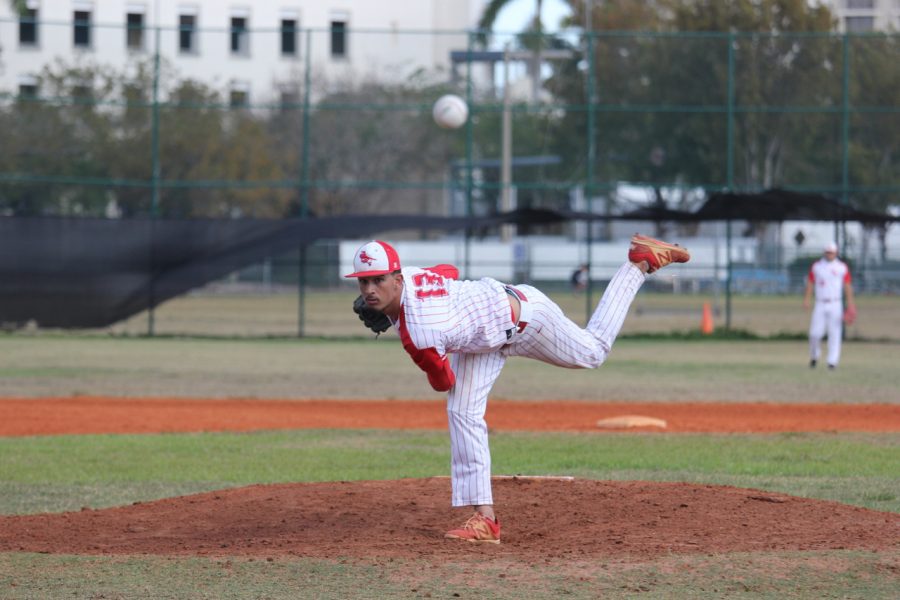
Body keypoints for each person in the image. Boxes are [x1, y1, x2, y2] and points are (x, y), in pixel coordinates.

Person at [345, 234, 690, 544]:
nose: (370, 290)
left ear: (397, 277)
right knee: (462, 411)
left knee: (593, 351)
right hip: (484, 339)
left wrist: (401, 322)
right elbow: (448, 270)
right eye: (364, 282)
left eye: (378, 280)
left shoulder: (418, 333)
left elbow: (443, 381)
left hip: (526, 319)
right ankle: (486, 521)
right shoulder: (417, 275)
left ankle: (639, 264)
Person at [803, 241, 856, 370]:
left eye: (831, 252)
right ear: (824, 252)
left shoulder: (841, 267)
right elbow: (810, 283)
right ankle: (814, 356)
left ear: (836, 253)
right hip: (820, 303)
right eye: (827, 252)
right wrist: (807, 299)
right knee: (815, 333)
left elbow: (847, 286)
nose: (829, 254)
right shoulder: (817, 266)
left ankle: (832, 361)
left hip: (835, 303)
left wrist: (851, 305)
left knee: (834, 333)